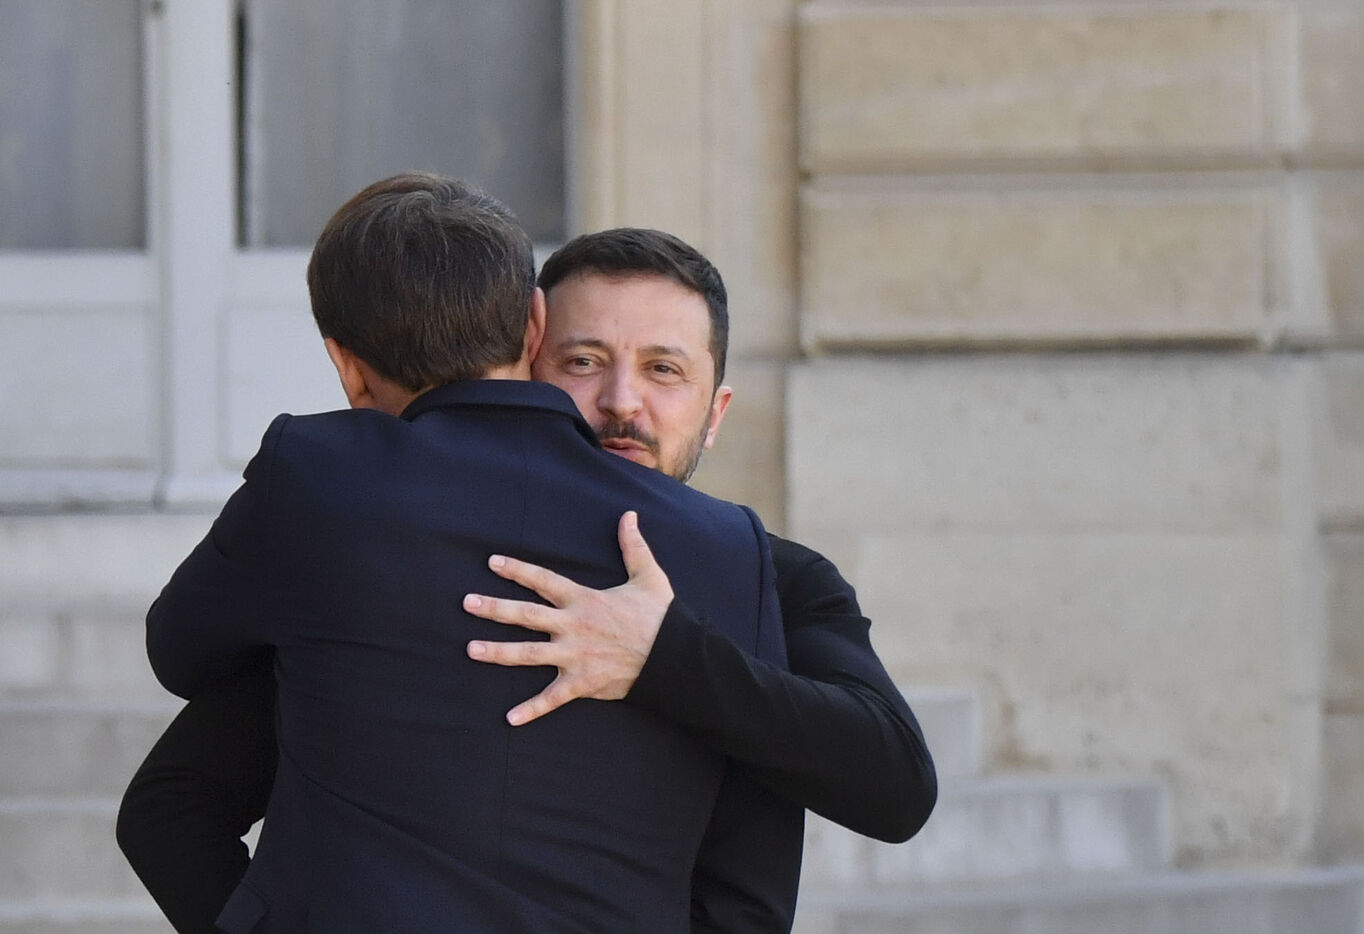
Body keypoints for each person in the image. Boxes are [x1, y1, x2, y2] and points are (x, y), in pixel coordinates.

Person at [118, 225, 938, 931]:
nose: (621, 401)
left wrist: (665, 657)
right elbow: (173, 804)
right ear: (527, 362)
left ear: (714, 412)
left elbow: (896, 785)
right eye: (584, 361)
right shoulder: (388, 556)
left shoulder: (769, 575)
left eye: (664, 370)